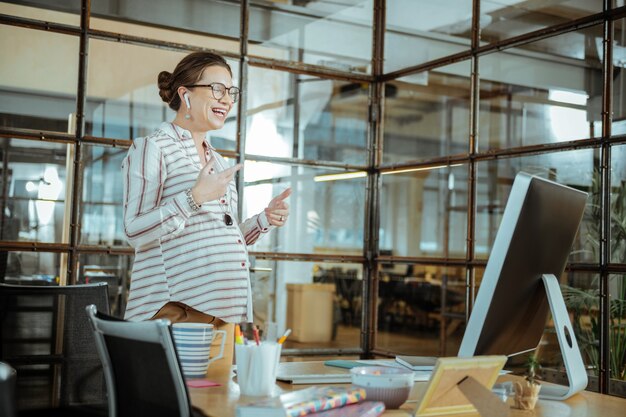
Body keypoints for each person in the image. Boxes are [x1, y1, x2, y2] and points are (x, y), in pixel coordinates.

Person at [122, 51, 291, 368]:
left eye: (231, 91)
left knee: (215, 407)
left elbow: (218, 236)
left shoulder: (217, 159)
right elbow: (134, 230)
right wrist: (193, 197)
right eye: (217, 89)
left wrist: (263, 221)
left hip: (223, 311)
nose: (227, 99)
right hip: (176, 308)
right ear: (185, 94)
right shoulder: (152, 148)